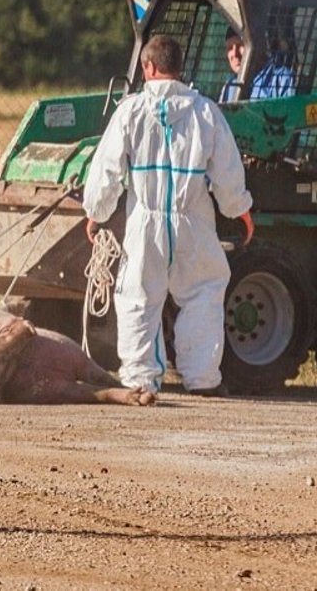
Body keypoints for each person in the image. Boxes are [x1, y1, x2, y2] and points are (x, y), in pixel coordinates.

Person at [84, 33, 255, 397]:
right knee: (203, 293)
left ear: (148, 67)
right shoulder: (206, 111)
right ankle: (203, 380)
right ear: (180, 67)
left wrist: (97, 212)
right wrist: (239, 210)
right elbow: (228, 173)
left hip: (144, 223)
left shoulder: (129, 111)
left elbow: (106, 169)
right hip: (194, 221)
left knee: (138, 297)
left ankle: (139, 380)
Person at [219, 30, 295, 103]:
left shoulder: (281, 79)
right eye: (230, 48)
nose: (235, 54)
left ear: (256, 46)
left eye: (240, 45)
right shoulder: (230, 87)